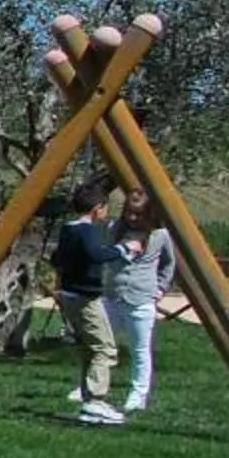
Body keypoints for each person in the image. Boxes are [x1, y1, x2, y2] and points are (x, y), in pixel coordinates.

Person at [53, 179, 130, 425]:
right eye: (106, 208)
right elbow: (96, 254)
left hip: (69, 295)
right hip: (86, 297)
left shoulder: (68, 230)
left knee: (89, 347)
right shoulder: (87, 231)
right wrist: (123, 250)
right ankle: (96, 400)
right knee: (105, 349)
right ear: (98, 208)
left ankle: (88, 397)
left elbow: (57, 258)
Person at [111, 191, 178, 415]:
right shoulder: (116, 229)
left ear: (149, 214)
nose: (132, 218)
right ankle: (89, 386)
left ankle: (138, 394)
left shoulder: (160, 235)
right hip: (113, 295)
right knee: (100, 343)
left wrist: (160, 289)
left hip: (141, 298)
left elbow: (168, 264)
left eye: (138, 214)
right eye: (129, 212)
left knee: (140, 349)